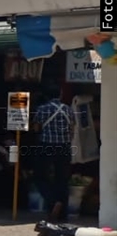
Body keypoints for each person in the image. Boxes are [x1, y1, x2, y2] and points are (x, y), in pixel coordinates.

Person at [32, 88, 75, 221]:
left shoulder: (42, 109)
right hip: (64, 147)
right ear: (60, 94)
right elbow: (72, 129)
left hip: (47, 145)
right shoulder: (68, 109)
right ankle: (63, 214)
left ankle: (53, 201)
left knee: (40, 177)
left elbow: (36, 128)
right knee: (62, 179)